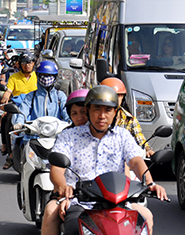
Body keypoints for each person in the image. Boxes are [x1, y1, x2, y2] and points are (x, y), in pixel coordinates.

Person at [41, 85, 167, 235]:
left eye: (107, 110)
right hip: (80, 202)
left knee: (147, 217)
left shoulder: (123, 136)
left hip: (117, 203)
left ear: (115, 112)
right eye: (97, 109)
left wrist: (150, 183)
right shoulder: (69, 136)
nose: (102, 116)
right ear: (88, 111)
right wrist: (63, 187)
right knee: (58, 217)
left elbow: (135, 161)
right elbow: (57, 168)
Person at [0, 52, 38, 169]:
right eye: (24, 63)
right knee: (7, 118)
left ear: (34, 64)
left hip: (35, 108)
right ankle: (9, 151)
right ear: (20, 64)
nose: (27, 65)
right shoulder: (14, 77)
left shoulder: (38, 76)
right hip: (18, 107)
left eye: (30, 62)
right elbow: (8, 91)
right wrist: (4, 100)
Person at [100, 77, 154, 157]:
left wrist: (147, 149)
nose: (114, 100)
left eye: (118, 96)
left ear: (123, 97)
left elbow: (139, 137)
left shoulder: (130, 119)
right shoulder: (97, 118)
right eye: (111, 96)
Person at [11, 60, 69, 129]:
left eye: (49, 75)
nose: (46, 78)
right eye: (43, 75)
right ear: (38, 76)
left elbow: (65, 110)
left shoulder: (60, 95)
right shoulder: (31, 95)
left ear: (54, 77)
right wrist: (19, 123)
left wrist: (70, 122)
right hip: (35, 134)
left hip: (56, 133)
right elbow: (24, 110)